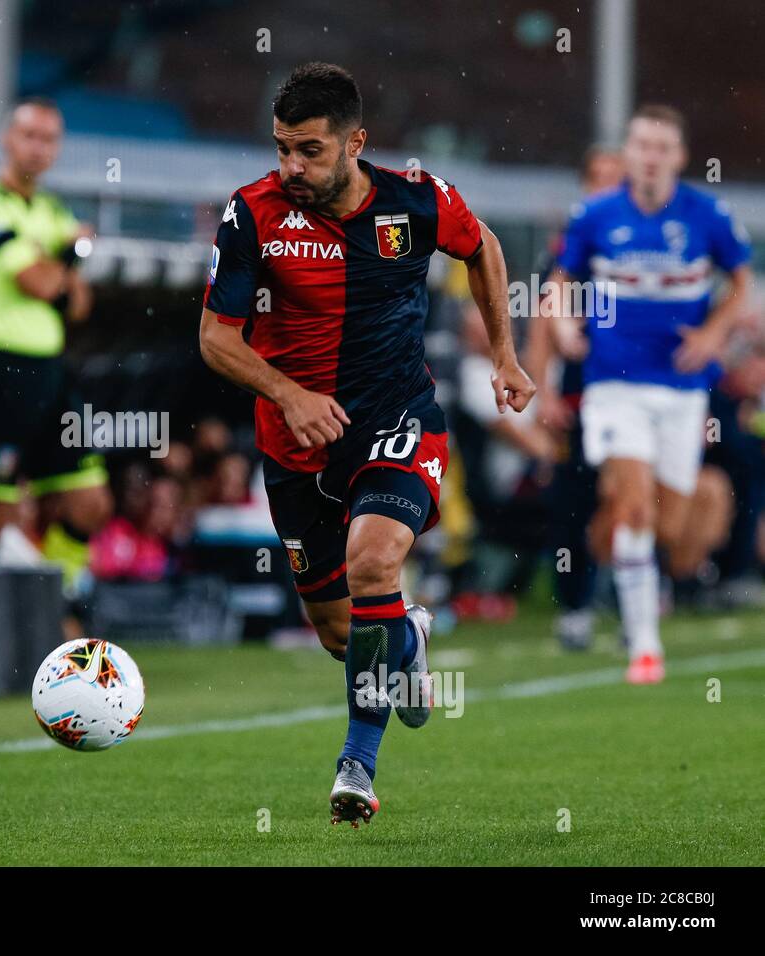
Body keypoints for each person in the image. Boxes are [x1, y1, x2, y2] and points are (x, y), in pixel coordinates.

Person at [199, 63, 534, 826]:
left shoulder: (417, 198)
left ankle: (358, 763)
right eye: (283, 148)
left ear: (356, 143)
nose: (292, 167)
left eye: (310, 150)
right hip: (294, 448)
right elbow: (215, 339)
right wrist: (288, 394)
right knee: (340, 629)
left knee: (373, 562)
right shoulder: (252, 213)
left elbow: (480, 247)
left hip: (397, 423)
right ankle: (408, 637)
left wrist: (506, 356)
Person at [544, 105, 753, 684]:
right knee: (634, 503)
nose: (651, 156)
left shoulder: (706, 214)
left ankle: (644, 575)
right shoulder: (595, 215)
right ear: (629, 153)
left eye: (663, 147)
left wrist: (714, 333)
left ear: (679, 157)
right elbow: (561, 280)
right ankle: (644, 644)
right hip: (614, 384)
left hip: (683, 390)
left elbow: (742, 281)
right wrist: (562, 324)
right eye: (642, 145)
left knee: (669, 522)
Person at [0, 98, 112, 590]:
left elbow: (80, 303)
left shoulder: (49, 210)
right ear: (7, 139)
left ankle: (60, 602)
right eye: (29, 136)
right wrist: (62, 263)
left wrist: (55, 266)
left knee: (91, 501)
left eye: (49, 139)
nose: (39, 148)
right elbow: (37, 283)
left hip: (48, 372)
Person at [523, 146, 624, 649]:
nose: (605, 187)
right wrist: (543, 396)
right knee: (573, 502)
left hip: (632, 394)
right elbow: (544, 324)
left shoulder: (640, 246)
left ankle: (632, 598)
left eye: (615, 178)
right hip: (581, 398)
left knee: (629, 497)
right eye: (597, 178)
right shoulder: (570, 248)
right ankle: (577, 606)